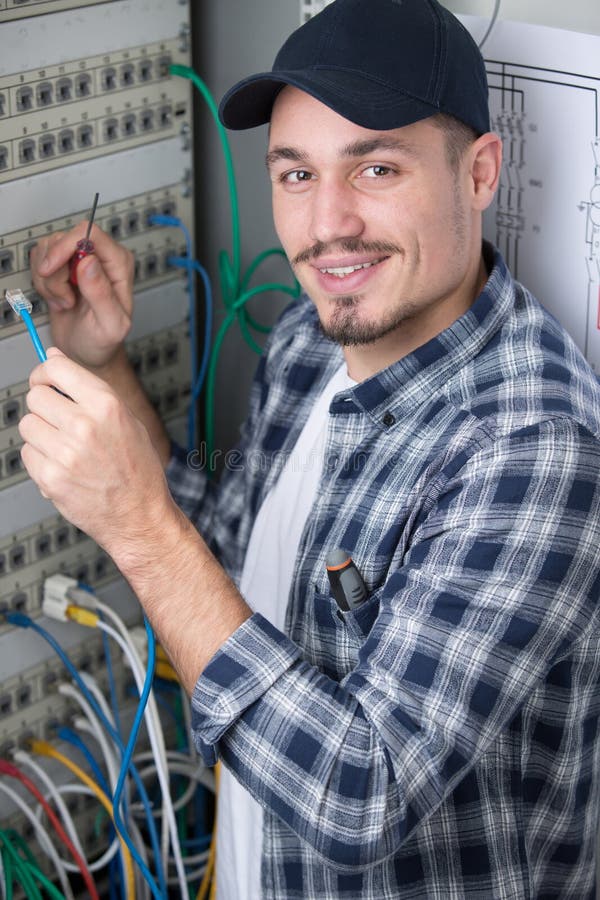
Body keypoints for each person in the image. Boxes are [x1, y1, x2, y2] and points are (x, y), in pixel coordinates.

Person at [22, 0, 600, 897]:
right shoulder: (310, 339)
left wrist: (134, 523)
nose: (328, 224)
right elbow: (226, 550)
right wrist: (106, 362)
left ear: (480, 172)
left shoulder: (533, 449)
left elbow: (360, 797)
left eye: (374, 166)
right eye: (295, 174)